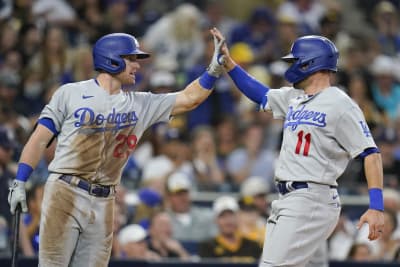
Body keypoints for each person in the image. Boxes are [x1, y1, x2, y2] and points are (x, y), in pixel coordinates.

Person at [7, 31, 225, 267]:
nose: (136, 66)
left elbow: (188, 98)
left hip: (104, 198)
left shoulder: (141, 103)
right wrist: (20, 181)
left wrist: (213, 71)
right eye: (131, 59)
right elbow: (39, 138)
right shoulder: (70, 93)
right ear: (112, 59)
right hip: (65, 191)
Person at [211, 27, 385, 267]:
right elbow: (261, 94)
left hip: (311, 197)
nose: (291, 65)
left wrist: (376, 206)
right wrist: (229, 64)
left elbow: (370, 153)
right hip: (292, 198)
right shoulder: (295, 98)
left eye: (295, 60)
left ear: (309, 62)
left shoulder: (341, 104)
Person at [199, 195, 262, 262]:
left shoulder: (253, 246)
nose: (228, 221)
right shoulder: (208, 247)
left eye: (231, 215)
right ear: (216, 220)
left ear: (238, 217)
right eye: (223, 216)